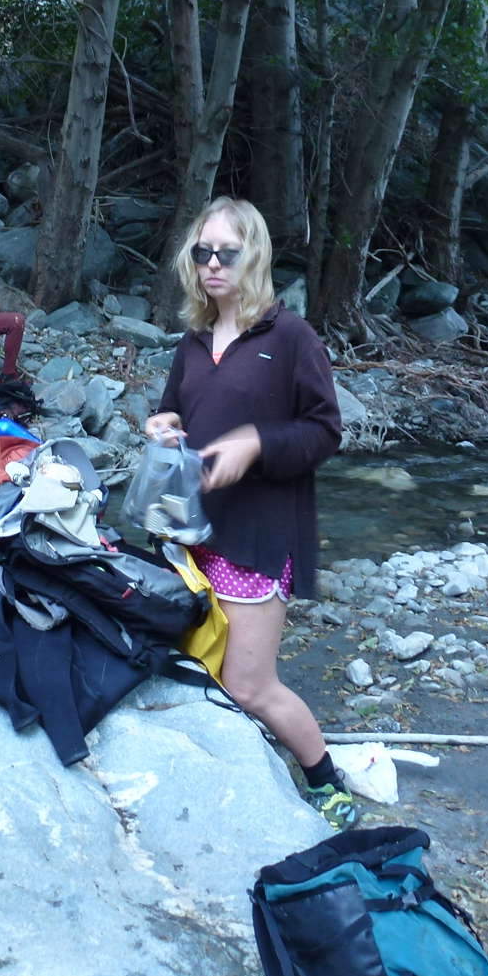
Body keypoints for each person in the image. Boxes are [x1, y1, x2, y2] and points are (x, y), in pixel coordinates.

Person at [143, 196, 354, 828]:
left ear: (254, 256)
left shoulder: (290, 338)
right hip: (194, 532)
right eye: (202, 252)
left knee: (249, 685)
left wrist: (257, 442)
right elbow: (176, 408)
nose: (212, 264)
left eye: (227, 254)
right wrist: (164, 424)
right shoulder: (193, 341)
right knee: (198, 663)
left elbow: (325, 431)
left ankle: (327, 780)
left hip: (259, 536)